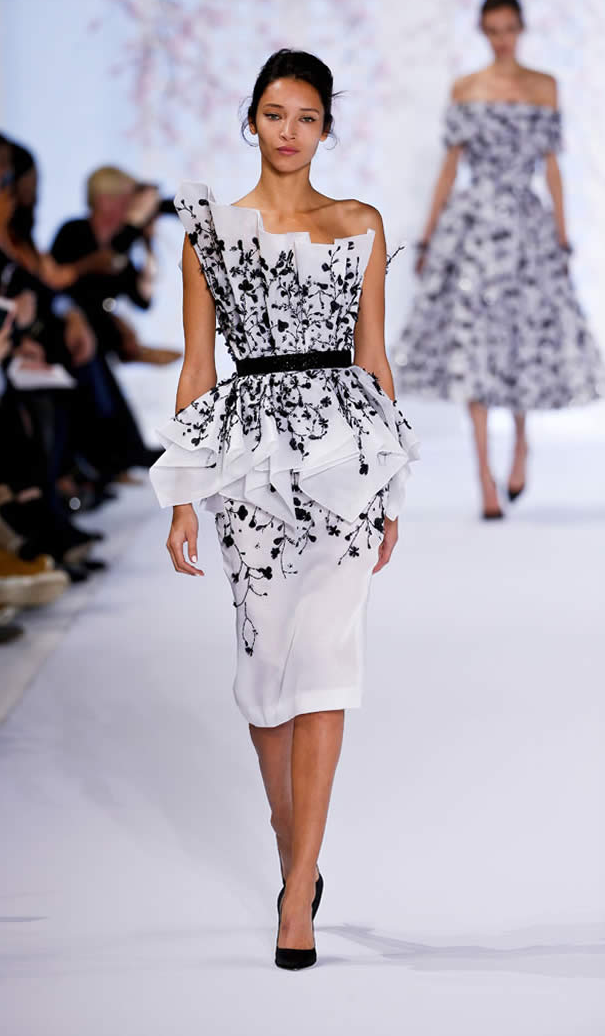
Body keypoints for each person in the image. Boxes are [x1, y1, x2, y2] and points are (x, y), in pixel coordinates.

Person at [150, 49, 419, 969]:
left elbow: (374, 357)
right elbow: (197, 367)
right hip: (249, 464)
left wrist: (390, 483)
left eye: (307, 116)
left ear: (326, 127)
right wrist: (184, 495)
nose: (290, 132)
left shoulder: (359, 224)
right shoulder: (211, 236)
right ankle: (286, 836)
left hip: (344, 454)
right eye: (275, 114)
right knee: (266, 670)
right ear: (251, 120)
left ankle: (297, 892)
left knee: (328, 662)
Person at [393, 0, 605, 519]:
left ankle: (519, 444)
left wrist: (562, 238)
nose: (502, 39)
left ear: (521, 28)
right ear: (482, 31)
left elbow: (552, 168)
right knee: (474, 346)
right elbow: (450, 168)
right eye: (493, 31)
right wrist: (428, 239)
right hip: (472, 229)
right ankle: (485, 481)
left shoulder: (544, 87)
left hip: (526, 230)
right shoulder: (467, 88)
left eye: (508, 29)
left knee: (520, 340)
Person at [51, 165, 181, 366]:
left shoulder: (125, 245)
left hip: (95, 345)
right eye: (127, 199)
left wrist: (148, 243)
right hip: (63, 332)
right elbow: (107, 261)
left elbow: (143, 299)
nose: (132, 207)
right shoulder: (75, 231)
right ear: (104, 200)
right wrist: (134, 224)